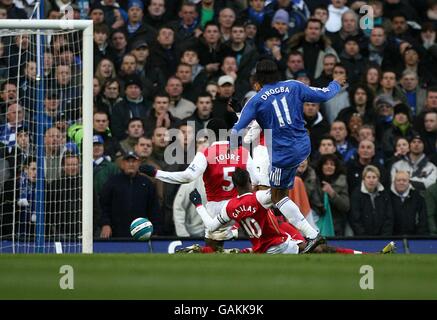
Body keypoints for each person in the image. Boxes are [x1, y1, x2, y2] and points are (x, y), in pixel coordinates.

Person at [230, 59, 347, 250]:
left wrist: (228, 147)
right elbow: (324, 95)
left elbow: (238, 130)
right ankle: (276, 213)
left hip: (283, 154)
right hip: (303, 147)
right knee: (275, 193)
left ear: (258, 78)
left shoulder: (257, 99)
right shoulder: (294, 86)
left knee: (278, 197)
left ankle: (312, 235)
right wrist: (335, 83)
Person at [140, 119, 259, 252]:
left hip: (216, 209)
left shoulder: (206, 153)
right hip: (239, 206)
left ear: (208, 134)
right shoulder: (243, 152)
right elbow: (256, 181)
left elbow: (187, 177)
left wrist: (156, 173)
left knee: (212, 249)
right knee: (258, 245)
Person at [99, 150, 162, 238]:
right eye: (128, 161)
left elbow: (154, 209)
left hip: (141, 234)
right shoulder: (112, 182)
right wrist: (105, 224)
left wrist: (155, 231)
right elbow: (104, 206)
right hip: (116, 233)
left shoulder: (147, 183)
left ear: (139, 164)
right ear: (122, 164)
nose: (131, 164)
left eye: (134, 161)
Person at [350, 165, 393, 236]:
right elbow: (355, 219)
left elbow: (389, 217)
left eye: (374, 177)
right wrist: (364, 237)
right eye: (368, 177)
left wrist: (385, 236)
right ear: (363, 179)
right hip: (363, 238)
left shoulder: (384, 194)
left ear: (378, 179)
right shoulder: (356, 194)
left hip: (383, 237)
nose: (371, 180)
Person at [390, 171, 428, 235]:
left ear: (409, 182)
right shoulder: (387, 197)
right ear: (394, 182)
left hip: (414, 238)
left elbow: (423, 220)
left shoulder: (418, 197)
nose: (401, 182)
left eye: (404, 180)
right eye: (398, 180)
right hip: (392, 238)